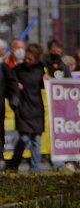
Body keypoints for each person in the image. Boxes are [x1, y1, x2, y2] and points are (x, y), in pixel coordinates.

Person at [4, 44, 46, 172]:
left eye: (30, 59)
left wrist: (47, 80)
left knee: (36, 140)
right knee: (24, 138)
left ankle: (35, 168)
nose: (27, 61)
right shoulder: (18, 70)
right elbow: (9, 83)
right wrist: (15, 85)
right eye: (26, 58)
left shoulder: (42, 70)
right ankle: (14, 163)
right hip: (23, 108)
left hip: (36, 108)